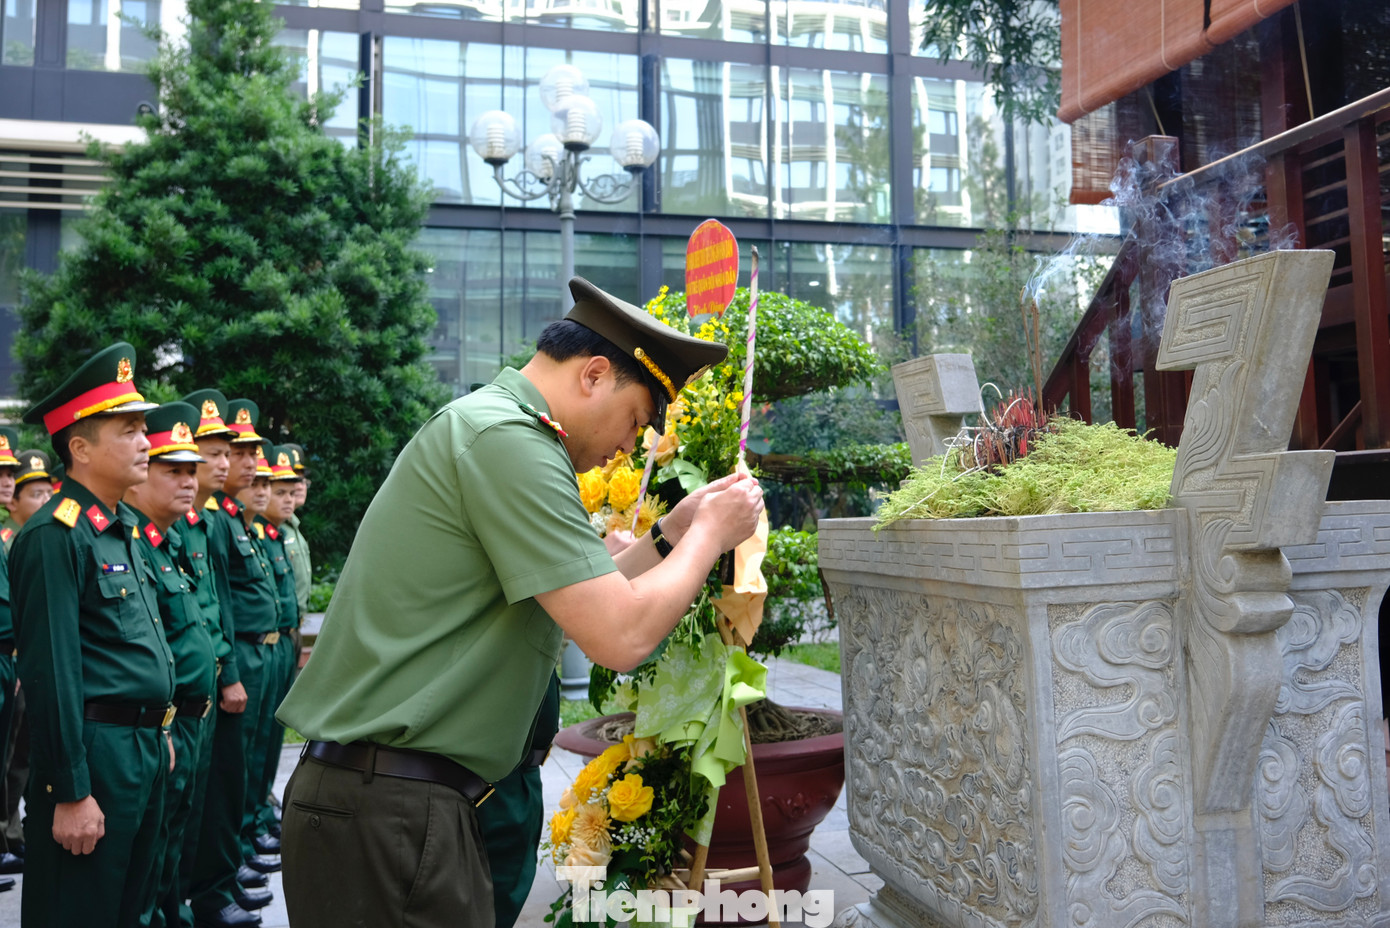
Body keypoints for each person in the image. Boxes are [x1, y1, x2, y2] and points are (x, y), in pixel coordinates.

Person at [276, 277, 764, 928]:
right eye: (636, 421)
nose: (628, 447)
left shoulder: (497, 429)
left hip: (392, 799)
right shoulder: (508, 440)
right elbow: (618, 634)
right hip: (392, 806)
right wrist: (710, 534)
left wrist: (670, 532)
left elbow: (578, 590)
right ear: (594, 374)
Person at [10, 342, 173, 927]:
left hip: (141, 748)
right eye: (128, 430)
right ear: (79, 448)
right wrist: (70, 790)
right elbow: (51, 672)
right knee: (80, 908)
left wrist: (163, 728)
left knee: (133, 908)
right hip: (94, 754)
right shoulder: (56, 535)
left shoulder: (121, 528)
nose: (145, 442)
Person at [124, 402, 221, 928]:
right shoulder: (134, 545)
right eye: (174, 470)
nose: (190, 481)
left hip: (187, 715)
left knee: (173, 839)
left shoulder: (168, 543)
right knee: (150, 853)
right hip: (162, 723)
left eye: (192, 470)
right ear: (140, 477)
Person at [189, 398, 278, 927]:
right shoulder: (211, 521)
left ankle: (225, 869)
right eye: (221, 453)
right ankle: (212, 883)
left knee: (238, 773)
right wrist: (229, 671)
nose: (234, 465)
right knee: (218, 786)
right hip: (224, 665)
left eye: (240, 454)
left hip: (243, 657)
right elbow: (216, 604)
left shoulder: (227, 520)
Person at [178, 388, 260, 928]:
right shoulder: (187, 521)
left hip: (223, 672)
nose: (226, 462)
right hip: (194, 686)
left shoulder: (209, 521)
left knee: (227, 784)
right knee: (196, 800)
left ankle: (215, 882)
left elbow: (221, 608)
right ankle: (202, 892)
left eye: (226, 453)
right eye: (215, 453)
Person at [244, 447, 300, 851]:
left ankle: (257, 820)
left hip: (277, 644)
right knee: (244, 754)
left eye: (275, 485)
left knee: (265, 744)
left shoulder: (272, 534)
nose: (270, 494)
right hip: (249, 653)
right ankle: (245, 833)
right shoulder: (238, 529)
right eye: (263, 485)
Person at [0, 446, 50, 879]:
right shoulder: (10, 542)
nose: (44, 501)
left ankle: (11, 834)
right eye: (32, 494)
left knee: (18, 760)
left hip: (14, 663)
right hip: (7, 664)